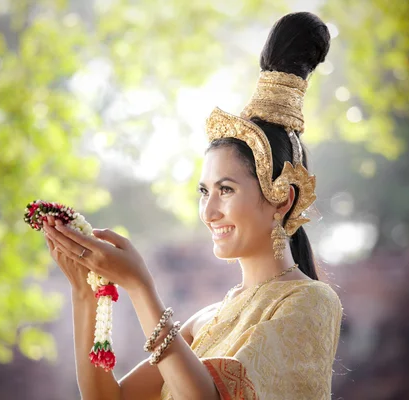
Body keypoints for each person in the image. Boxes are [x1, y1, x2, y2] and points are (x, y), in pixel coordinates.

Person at [43, 11, 343, 400]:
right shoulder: (207, 321)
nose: (209, 212)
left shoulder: (310, 302)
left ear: (281, 199)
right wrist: (84, 293)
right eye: (204, 192)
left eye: (227, 190)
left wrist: (139, 285)